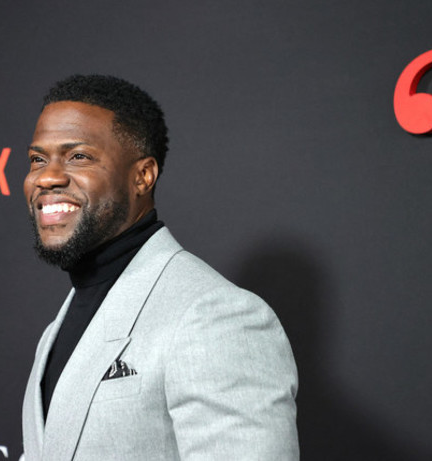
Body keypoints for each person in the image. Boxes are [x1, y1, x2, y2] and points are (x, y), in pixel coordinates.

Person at [21, 74, 298, 461]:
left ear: (143, 176)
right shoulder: (59, 326)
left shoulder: (216, 316)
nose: (47, 177)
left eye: (78, 156)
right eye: (38, 159)